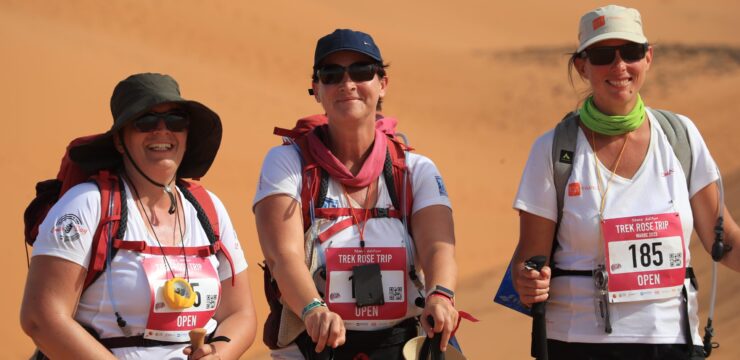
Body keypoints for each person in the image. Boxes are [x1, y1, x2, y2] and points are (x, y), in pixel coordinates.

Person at [511, 5, 740, 360]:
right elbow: (529, 260)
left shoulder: (680, 137)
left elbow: (723, 241)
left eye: (631, 52)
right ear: (581, 65)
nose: (619, 67)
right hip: (578, 343)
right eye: (603, 55)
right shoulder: (554, 149)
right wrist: (528, 281)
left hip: (674, 340)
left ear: (648, 57)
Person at [253, 29, 460, 359]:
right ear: (316, 90)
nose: (347, 83)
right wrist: (313, 309)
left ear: (383, 84)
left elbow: (439, 246)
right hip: (314, 344)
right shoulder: (287, 161)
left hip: (403, 342)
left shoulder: (415, 168)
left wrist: (441, 295)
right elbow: (283, 256)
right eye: (331, 75)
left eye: (362, 71)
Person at [20, 73, 257, 359]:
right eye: (145, 121)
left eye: (176, 120)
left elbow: (240, 312)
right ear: (120, 141)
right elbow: (41, 318)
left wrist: (219, 353)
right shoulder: (88, 204)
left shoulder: (208, 209)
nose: (162, 131)